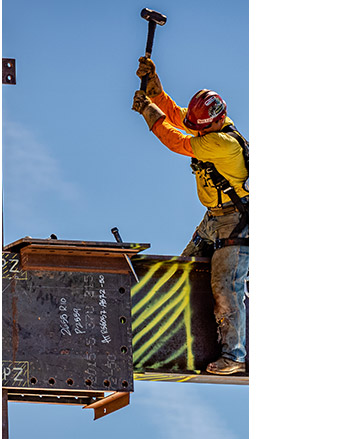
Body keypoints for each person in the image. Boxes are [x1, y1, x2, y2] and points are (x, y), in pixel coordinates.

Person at [131, 57, 249, 375]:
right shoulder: (210, 125)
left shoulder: (223, 143)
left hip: (237, 225)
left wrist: (146, 111)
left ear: (216, 120)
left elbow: (177, 140)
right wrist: (154, 87)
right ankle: (176, 328)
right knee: (187, 270)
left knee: (225, 285)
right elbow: (179, 117)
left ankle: (234, 355)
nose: (195, 127)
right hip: (215, 218)